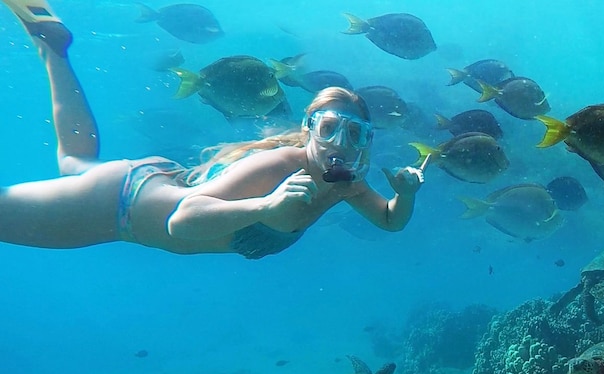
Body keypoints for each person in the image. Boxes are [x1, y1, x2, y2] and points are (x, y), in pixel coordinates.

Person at [0, 0, 425, 259]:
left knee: (75, 162)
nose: (340, 145)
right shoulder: (280, 167)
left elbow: (390, 222)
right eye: (329, 128)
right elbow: (182, 221)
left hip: (140, 190)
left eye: (355, 136)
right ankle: (50, 47)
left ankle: (51, 47)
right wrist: (263, 207)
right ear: (308, 128)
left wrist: (403, 196)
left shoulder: (345, 184)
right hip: (119, 206)